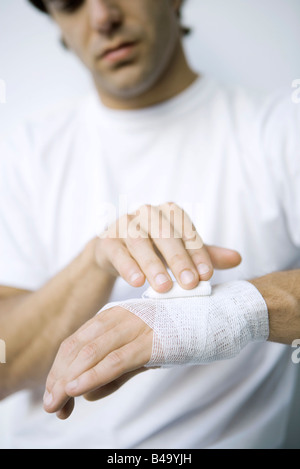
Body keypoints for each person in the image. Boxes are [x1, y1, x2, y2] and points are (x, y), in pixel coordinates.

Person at [0, 0, 299, 449]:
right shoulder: (23, 154)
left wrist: (228, 314)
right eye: (70, 3)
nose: (103, 17)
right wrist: (95, 264)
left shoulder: (279, 130)